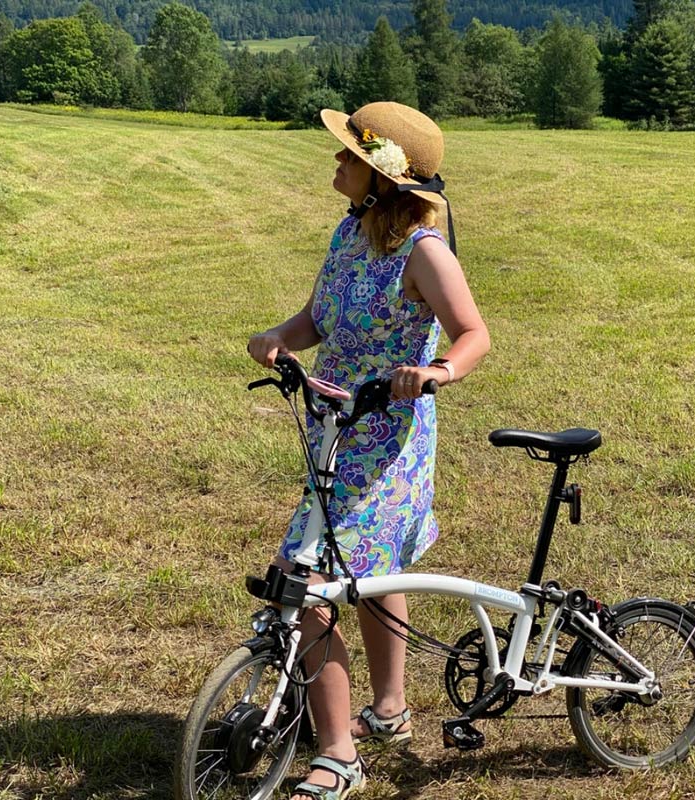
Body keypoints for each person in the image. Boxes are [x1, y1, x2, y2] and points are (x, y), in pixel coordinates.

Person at [248, 101, 490, 800]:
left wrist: (437, 372)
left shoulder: (424, 253)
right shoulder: (347, 236)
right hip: (336, 427)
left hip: (388, 439)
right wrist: (279, 337)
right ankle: (388, 709)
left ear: (382, 178)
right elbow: (319, 318)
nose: (336, 161)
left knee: (312, 585)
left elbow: (473, 333)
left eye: (348, 155)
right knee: (369, 574)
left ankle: (339, 753)